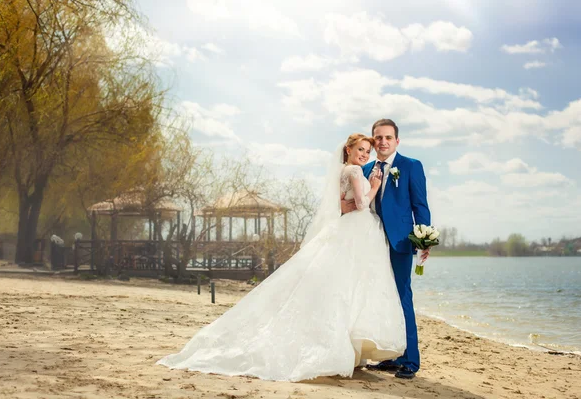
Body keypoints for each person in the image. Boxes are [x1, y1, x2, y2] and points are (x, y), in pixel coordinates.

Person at [157, 133, 407, 382]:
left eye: (367, 151)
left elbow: (341, 202)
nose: (364, 155)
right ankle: (342, 348)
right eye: (360, 150)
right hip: (354, 232)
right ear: (348, 150)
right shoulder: (354, 172)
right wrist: (374, 186)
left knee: (346, 287)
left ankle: (350, 350)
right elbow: (362, 204)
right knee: (346, 288)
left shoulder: (347, 171)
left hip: (353, 232)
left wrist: (349, 202)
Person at [342, 119, 431, 379]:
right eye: (378, 137)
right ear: (373, 139)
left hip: (400, 242)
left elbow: (420, 206)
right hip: (370, 242)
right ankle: (390, 355)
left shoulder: (411, 166)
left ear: (396, 141)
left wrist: (424, 239)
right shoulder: (365, 167)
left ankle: (410, 360)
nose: (382, 142)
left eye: (387, 137)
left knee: (402, 297)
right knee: (378, 297)